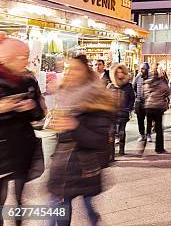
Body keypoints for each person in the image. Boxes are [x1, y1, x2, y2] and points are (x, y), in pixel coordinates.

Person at [47, 55, 116, 226]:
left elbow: (99, 141)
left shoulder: (97, 100)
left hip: (85, 167)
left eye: (75, 69)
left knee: (86, 206)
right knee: (58, 211)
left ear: (86, 73)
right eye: (67, 68)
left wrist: (74, 125)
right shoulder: (63, 97)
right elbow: (62, 137)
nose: (69, 72)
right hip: (62, 168)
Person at [0, 39, 46, 226]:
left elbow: (40, 114)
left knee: (19, 196)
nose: (25, 61)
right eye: (22, 57)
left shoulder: (29, 80)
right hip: (1, 148)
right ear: (8, 58)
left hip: (22, 148)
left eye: (26, 57)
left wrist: (31, 107)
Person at [107, 63, 134, 158]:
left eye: (121, 72)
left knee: (121, 132)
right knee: (111, 133)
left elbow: (132, 98)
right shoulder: (111, 86)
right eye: (117, 72)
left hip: (123, 113)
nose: (120, 74)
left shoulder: (128, 86)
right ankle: (111, 154)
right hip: (112, 113)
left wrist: (128, 109)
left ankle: (121, 150)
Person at [142, 65, 170, 154]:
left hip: (149, 106)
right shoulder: (161, 83)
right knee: (159, 129)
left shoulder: (147, 83)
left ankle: (142, 147)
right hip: (158, 107)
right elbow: (168, 91)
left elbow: (144, 94)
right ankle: (159, 148)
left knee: (148, 126)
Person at [132, 63, 149, 142]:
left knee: (149, 119)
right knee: (140, 119)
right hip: (139, 101)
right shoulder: (138, 77)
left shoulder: (150, 77)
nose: (142, 70)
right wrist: (136, 95)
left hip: (148, 101)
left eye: (144, 69)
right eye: (141, 68)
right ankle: (142, 134)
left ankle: (148, 134)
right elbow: (133, 87)